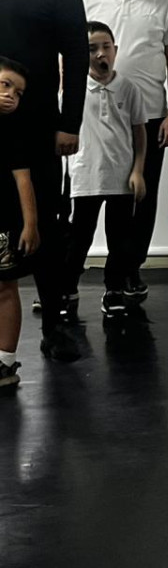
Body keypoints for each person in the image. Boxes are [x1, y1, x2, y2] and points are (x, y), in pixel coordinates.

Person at [0, 0, 89, 362]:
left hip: (36, 125)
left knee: (47, 224)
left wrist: (69, 123)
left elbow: (76, 56)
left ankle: (55, 324)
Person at [81, 0, 168, 302]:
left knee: (140, 196)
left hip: (150, 116)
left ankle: (129, 270)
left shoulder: (164, 1)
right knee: (85, 197)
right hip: (94, 116)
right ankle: (64, 278)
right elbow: (68, 55)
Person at [63, 22, 148, 321]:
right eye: (91, 48)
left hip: (121, 179)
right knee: (79, 237)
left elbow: (139, 132)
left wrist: (138, 170)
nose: (100, 53)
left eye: (105, 47)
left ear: (115, 50)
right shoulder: (73, 90)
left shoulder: (129, 88)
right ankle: (66, 289)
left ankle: (114, 289)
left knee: (120, 240)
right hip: (86, 177)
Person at [0, 57, 40, 387]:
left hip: (3, 222)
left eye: (18, 92)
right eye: (5, 84)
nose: (11, 94)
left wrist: (31, 224)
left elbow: (23, 179)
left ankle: (5, 362)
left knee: (4, 288)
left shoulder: (13, 131)